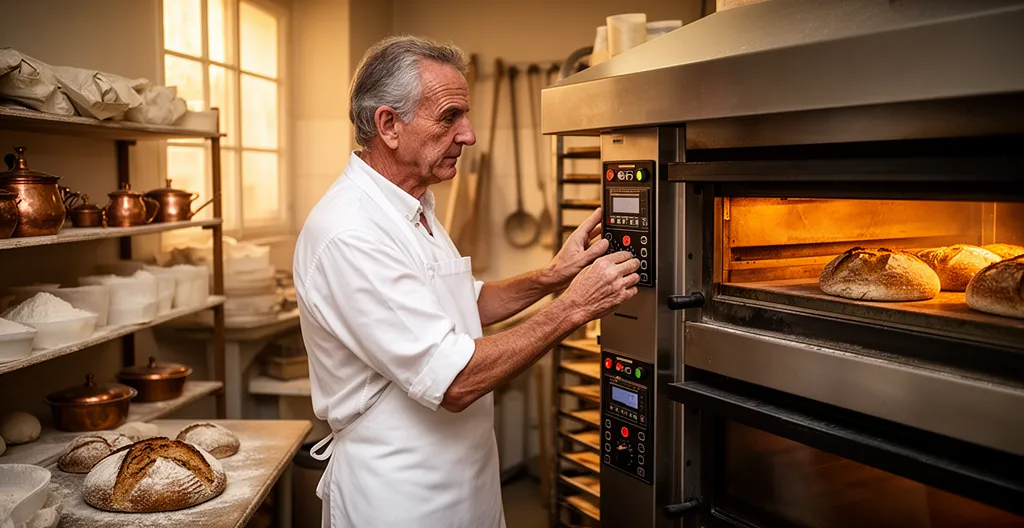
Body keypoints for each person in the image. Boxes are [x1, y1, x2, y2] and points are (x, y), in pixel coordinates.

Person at [293, 35, 639, 528]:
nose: (469, 135)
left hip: (465, 478)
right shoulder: (351, 233)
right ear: (388, 125)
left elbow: (463, 304)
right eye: (449, 117)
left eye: (466, 116)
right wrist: (574, 307)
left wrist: (553, 276)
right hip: (401, 494)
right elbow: (453, 380)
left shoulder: (412, 207)